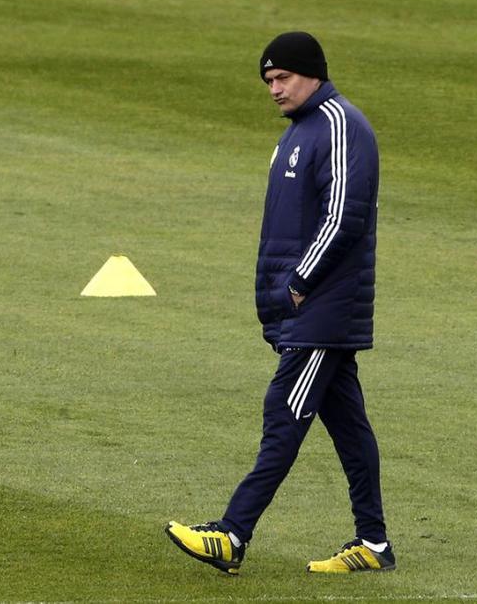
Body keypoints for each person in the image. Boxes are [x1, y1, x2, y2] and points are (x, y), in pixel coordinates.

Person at [165, 31, 394, 576]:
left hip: (323, 307)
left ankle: (232, 534)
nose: (274, 89)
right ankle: (374, 544)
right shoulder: (298, 132)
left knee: (284, 413)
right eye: (268, 80)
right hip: (305, 308)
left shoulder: (340, 125)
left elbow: (343, 216)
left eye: (283, 77)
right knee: (349, 427)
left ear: (313, 73)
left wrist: (298, 284)